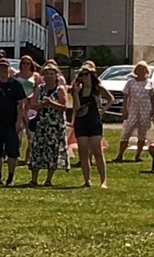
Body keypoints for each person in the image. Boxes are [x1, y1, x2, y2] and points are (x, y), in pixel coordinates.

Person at [0, 54, 28, 187]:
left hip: (11, 122)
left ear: (9, 69)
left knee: (12, 151)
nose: (3, 70)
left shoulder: (16, 84)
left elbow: (21, 104)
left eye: (5, 67)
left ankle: (10, 178)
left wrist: (19, 121)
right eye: (0, 67)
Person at [26, 61, 69, 187]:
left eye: (52, 74)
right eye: (47, 74)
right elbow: (32, 104)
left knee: (53, 150)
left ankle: (48, 179)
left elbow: (65, 106)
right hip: (42, 123)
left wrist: (51, 103)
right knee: (37, 149)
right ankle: (34, 179)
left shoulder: (60, 89)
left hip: (55, 125)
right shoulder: (40, 89)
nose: (49, 76)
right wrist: (40, 105)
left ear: (57, 76)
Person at [72, 61, 108, 189]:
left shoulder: (97, 89)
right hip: (81, 122)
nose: (83, 77)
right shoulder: (78, 90)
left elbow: (110, 98)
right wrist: (75, 93)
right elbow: (76, 108)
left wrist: (102, 111)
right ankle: (87, 180)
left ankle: (103, 181)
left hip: (94, 122)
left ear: (91, 75)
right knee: (83, 152)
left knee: (97, 151)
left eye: (86, 74)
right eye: (81, 75)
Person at [117, 62, 154, 162]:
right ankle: (120, 154)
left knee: (142, 133)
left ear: (146, 71)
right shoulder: (130, 82)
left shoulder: (150, 82)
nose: (141, 71)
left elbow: (152, 98)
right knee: (126, 132)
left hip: (145, 110)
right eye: (139, 69)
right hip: (132, 110)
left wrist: (153, 111)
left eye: (143, 69)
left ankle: (138, 155)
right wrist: (124, 109)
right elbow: (126, 96)